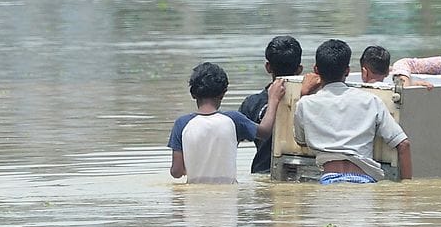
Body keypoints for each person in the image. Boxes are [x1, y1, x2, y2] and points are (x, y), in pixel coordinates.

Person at [293, 40, 412, 184]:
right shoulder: (370, 101)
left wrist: (304, 93)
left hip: (329, 181)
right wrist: (407, 189)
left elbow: (301, 141)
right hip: (364, 181)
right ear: (347, 71)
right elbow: (403, 144)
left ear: (316, 70)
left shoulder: (305, 104)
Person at [169, 62, 284, 184]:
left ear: (193, 94)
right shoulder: (234, 120)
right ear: (223, 93)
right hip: (228, 196)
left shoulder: (181, 124)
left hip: (193, 198)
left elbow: (176, 172)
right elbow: (265, 131)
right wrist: (273, 100)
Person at [239, 35, 303, 174]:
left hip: (263, 174)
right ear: (299, 69)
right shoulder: (311, 100)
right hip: (303, 174)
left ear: (268, 67)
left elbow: (231, 143)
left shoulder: (252, 104)